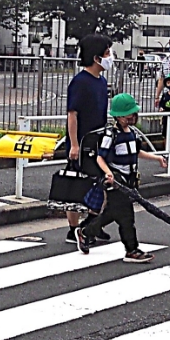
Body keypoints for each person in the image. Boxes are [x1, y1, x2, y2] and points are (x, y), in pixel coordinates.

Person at [76, 93, 168, 263]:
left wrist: (156, 158)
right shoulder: (111, 135)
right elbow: (100, 157)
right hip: (116, 182)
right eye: (129, 114)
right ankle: (132, 249)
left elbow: (135, 152)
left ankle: (86, 232)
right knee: (126, 217)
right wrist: (109, 174)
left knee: (112, 213)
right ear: (118, 116)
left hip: (129, 181)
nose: (132, 117)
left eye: (133, 113)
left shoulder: (132, 133)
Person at [64, 34, 114, 245]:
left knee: (101, 184)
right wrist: (74, 144)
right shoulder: (80, 82)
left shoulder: (101, 81)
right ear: (96, 58)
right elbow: (72, 114)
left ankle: (92, 225)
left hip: (98, 140)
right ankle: (74, 229)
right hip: (82, 143)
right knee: (76, 185)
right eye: (107, 53)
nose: (110, 57)